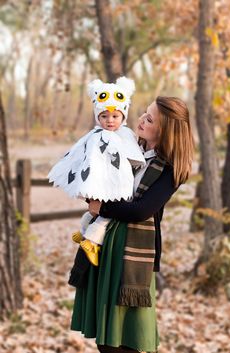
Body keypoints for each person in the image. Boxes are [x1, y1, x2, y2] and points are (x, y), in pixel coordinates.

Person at [70, 96, 194, 353]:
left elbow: (141, 211)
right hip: (105, 245)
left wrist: (100, 207)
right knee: (106, 337)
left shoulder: (171, 169)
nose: (141, 120)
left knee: (130, 337)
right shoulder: (128, 149)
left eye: (149, 119)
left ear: (165, 130)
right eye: (144, 114)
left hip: (133, 255)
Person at [48, 77, 145, 266]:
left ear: (123, 116)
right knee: (102, 213)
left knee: (100, 212)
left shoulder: (124, 133)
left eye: (115, 116)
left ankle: (85, 234)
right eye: (104, 116)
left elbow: (133, 153)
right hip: (102, 180)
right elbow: (80, 155)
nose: (109, 121)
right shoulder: (95, 135)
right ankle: (91, 241)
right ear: (97, 116)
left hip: (113, 179)